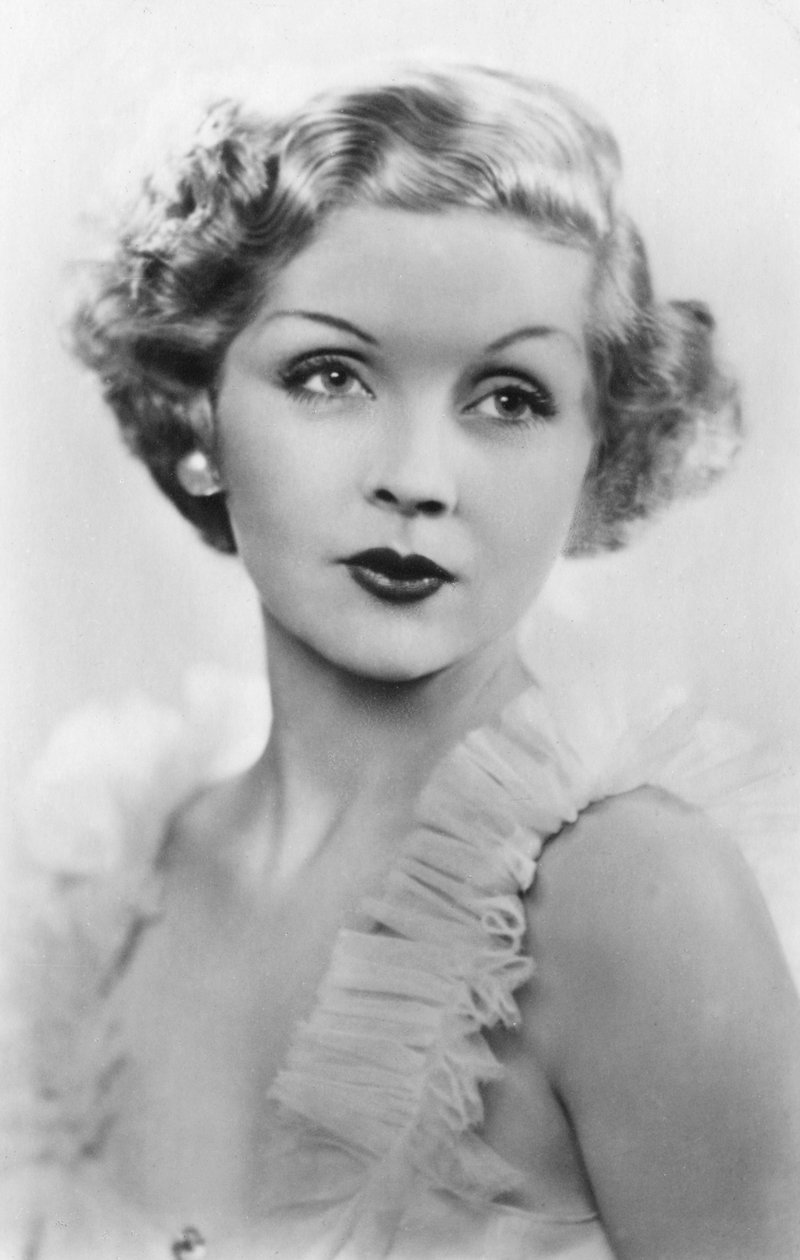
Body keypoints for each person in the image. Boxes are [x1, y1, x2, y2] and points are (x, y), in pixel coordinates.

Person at [3, 66, 799, 1260]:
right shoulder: (112, 884)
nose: (418, 478)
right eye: (329, 375)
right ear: (196, 418)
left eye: (508, 398)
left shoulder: (634, 901)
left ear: (596, 456)